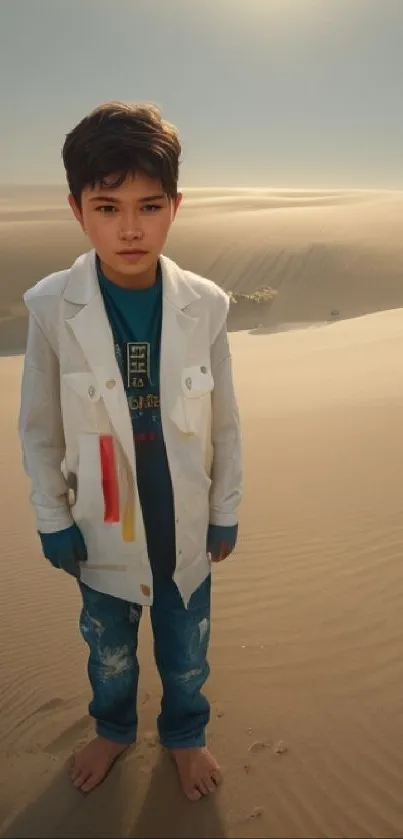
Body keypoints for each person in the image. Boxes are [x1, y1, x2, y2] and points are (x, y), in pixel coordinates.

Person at [18, 102, 242, 801]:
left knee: (186, 653)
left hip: (183, 527)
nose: (130, 227)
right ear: (76, 209)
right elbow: (38, 426)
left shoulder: (204, 304)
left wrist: (225, 508)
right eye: (107, 205)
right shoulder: (53, 306)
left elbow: (226, 420)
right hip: (100, 527)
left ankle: (185, 733)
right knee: (109, 654)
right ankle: (113, 729)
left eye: (149, 205)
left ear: (175, 206)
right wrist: (52, 517)